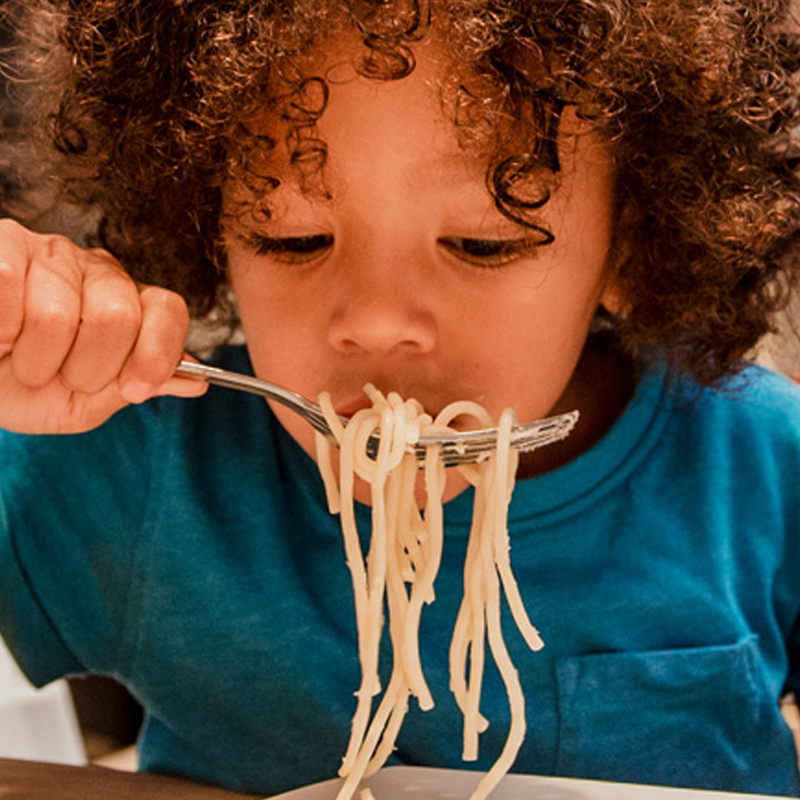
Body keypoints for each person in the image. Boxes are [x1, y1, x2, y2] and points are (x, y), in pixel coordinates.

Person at [1, 0, 800, 796]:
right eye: (294, 239)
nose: (376, 322)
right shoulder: (142, 467)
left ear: (630, 243)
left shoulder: (759, 468)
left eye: (483, 243)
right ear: (210, 229)